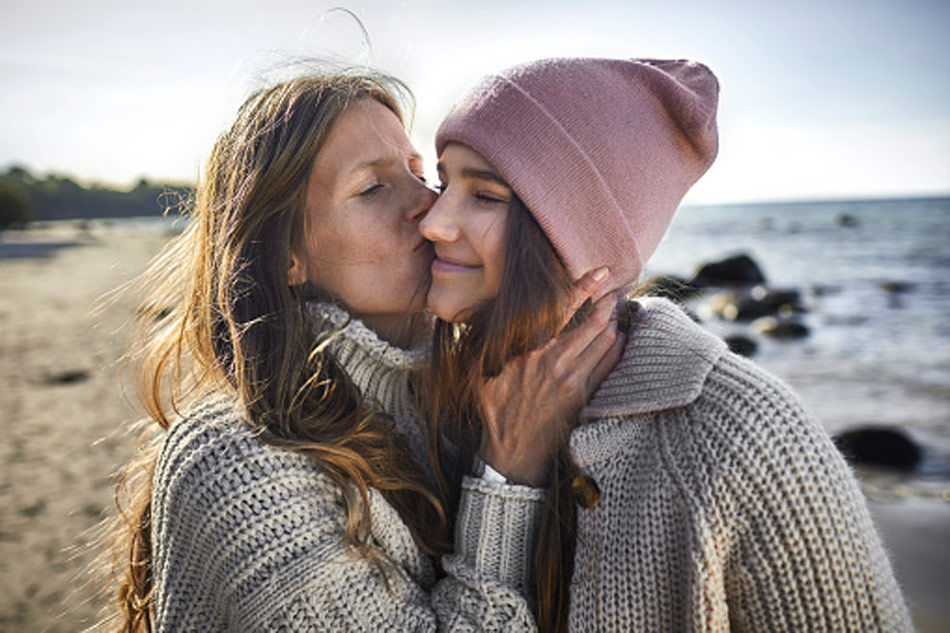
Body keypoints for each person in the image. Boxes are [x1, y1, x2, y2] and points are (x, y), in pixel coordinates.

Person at [105, 69, 622, 631]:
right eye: (373, 189)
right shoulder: (234, 461)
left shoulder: (473, 401)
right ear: (285, 257)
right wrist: (507, 474)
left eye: (421, 174)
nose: (431, 207)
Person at [421, 57, 913, 631]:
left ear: (578, 238)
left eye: (485, 196)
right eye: (443, 181)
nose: (434, 221)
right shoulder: (441, 399)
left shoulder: (747, 435)